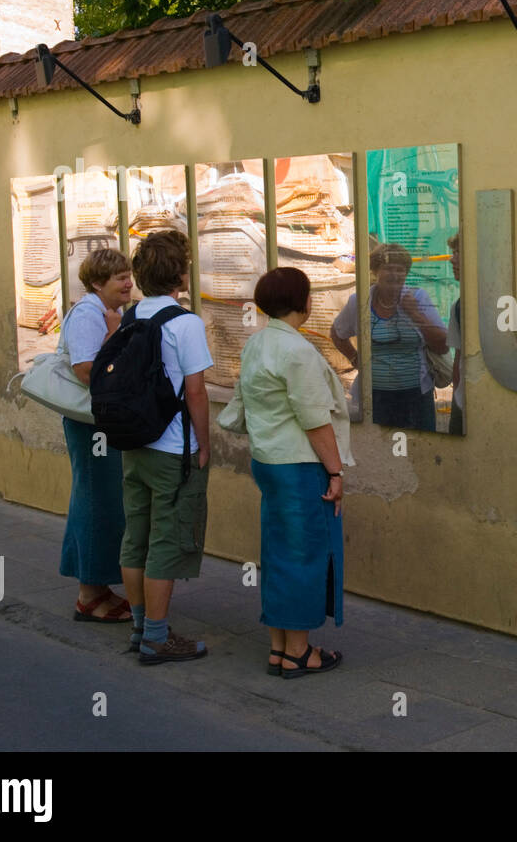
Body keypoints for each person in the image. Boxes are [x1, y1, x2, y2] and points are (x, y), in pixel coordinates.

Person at [220, 267, 353, 678]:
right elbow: (315, 420)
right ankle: (299, 652)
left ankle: (279, 647)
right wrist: (335, 473)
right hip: (300, 465)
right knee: (305, 555)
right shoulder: (297, 351)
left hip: (269, 461)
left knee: (279, 554)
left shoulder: (258, 342)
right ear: (305, 301)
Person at [117, 230, 214, 664]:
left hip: (136, 442)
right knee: (166, 541)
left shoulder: (132, 314)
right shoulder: (185, 323)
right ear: (180, 273)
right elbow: (196, 392)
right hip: (173, 448)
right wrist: (205, 444)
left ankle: (140, 627)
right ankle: (157, 636)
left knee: (136, 534)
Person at [61, 248, 133, 622]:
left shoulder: (108, 312)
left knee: (104, 499)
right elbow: (87, 370)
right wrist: (113, 335)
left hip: (102, 421)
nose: (127, 282)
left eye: (128, 274)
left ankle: (98, 587)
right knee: (95, 498)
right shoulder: (89, 315)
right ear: (96, 283)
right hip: (90, 423)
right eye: (118, 277)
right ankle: (89, 595)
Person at [331, 243, 447, 431]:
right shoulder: (359, 302)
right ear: (376, 271)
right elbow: (337, 333)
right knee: (379, 451)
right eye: (388, 268)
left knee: (420, 451)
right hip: (375, 397)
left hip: (416, 397)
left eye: (400, 269)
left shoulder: (418, 298)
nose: (394, 275)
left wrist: (415, 314)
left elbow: (443, 346)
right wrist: (354, 358)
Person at [445, 233, 464, 436]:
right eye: (453, 252)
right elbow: (458, 360)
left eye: (458, 252)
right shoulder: (458, 307)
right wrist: (458, 400)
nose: (452, 259)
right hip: (463, 405)